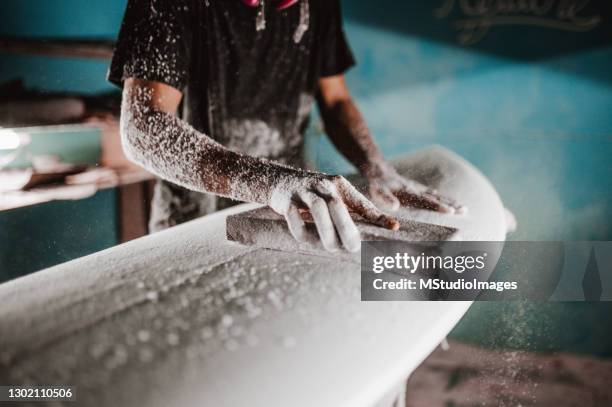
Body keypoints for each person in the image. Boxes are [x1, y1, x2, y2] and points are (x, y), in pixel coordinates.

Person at [109, 0, 463, 253]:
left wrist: (378, 168)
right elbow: (144, 126)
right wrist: (272, 182)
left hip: (296, 207)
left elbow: (335, 99)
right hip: (194, 216)